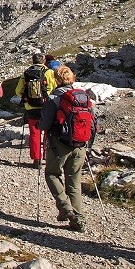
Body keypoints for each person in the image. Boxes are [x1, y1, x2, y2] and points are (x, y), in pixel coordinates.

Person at [39, 65, 93, 232]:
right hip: (80, 144)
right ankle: (78, 218)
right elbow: (92, 123)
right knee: (74, 181)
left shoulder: (54, 98)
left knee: (52, 174)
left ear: (56, 79)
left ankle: (65, 208)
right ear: (72, 78)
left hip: (58, 144)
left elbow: (45, 124)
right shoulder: (83, 97)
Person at [14, 53, 57, 167]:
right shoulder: (49, 72)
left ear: (32, 61)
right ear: (43, 61)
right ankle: (47, 157)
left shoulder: (26, 73)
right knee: (48, 132)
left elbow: (18, 91)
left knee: (34, 133)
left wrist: (27, 97)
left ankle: (36, 159)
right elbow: (54, 88)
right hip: (47, 106)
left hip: (31, 107)